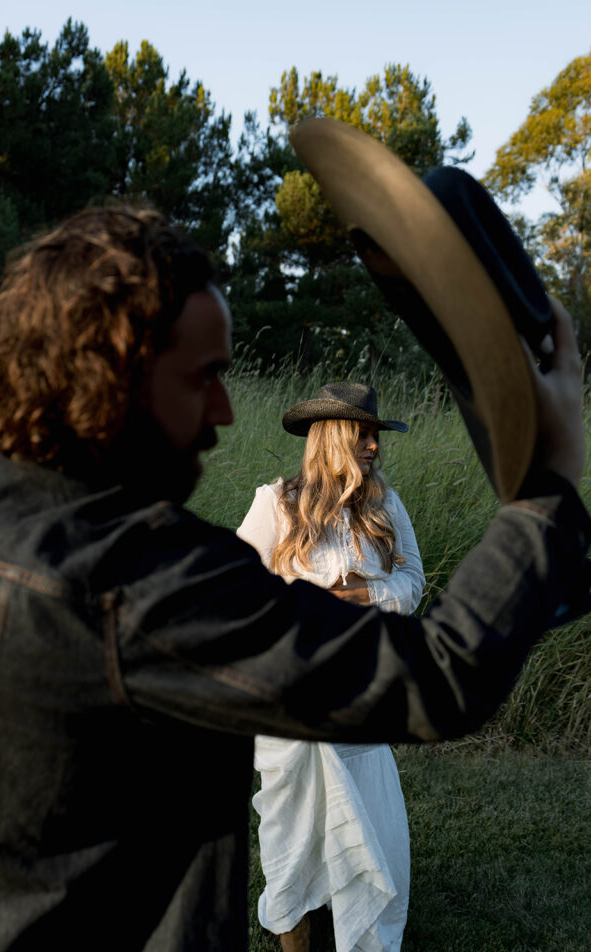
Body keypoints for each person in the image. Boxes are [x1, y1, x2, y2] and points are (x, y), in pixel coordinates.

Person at [0, 204, 588, 952]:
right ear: (115, 374)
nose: (225, 413)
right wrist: (544, 487)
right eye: (206, 378)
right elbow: (441, 677)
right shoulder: (148, 580)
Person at [238, 383, 424, 951]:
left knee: (376, 843)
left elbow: (413, 581)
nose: (372, 446)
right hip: (293, 701)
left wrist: (372, 595)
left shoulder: (384, 505)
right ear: (333, 438)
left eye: (374, 436)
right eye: (362, 434)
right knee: (293, 840)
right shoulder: (276, 503)